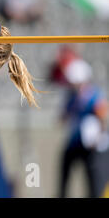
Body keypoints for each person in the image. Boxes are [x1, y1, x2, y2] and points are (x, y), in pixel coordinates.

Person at [58, 59, 108, 197]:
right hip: (75, 143)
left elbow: (103, 117)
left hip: (94, 147)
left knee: (95, 181)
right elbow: (63, 117)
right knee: (65, 169)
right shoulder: (71, 97)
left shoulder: (94, 95)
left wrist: (97, 138)